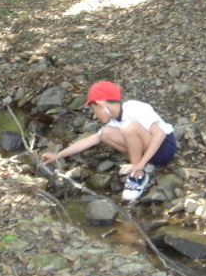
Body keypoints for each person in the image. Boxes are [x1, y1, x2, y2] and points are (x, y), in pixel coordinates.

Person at [40, 81, 177, 202]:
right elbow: (89, 140)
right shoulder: (113, 122)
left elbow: (159, 134)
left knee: (129, 128)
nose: (95, 115)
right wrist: (58, 155)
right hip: (148, 152)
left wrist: (140, 164)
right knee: (105, 133)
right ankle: (139, 165)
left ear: (100, 104)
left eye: (94, 109)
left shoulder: (134, 107)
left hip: (164, 148)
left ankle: (137, 175)